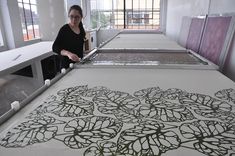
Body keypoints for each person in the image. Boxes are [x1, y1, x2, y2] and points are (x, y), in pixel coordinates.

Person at [52, 5, 86, 69]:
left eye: (77, 17)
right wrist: (68, 53)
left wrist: (85, 54)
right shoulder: (64, 29)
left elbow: (79, 48)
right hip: (67, 67)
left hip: (78, 64)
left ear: (81, 17)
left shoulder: (81, 29)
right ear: (68, 16)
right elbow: (55, 47)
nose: (73, 20)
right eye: (71, 16)